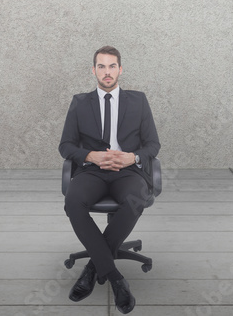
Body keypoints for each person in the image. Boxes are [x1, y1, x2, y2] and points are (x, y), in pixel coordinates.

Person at [59, 46, 161, 314]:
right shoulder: (80, 102)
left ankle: (93, 268)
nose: (107, 72)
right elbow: (66, 146)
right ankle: (116, 279)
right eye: (101, 67)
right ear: (93, 70)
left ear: (120, 69)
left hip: (127, 171)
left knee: (135, 198)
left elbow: (153, 145)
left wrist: (132, 158)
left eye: (112, 66)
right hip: (92, 171)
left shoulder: (138, 101)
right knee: (73, 202)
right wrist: (90, 155)